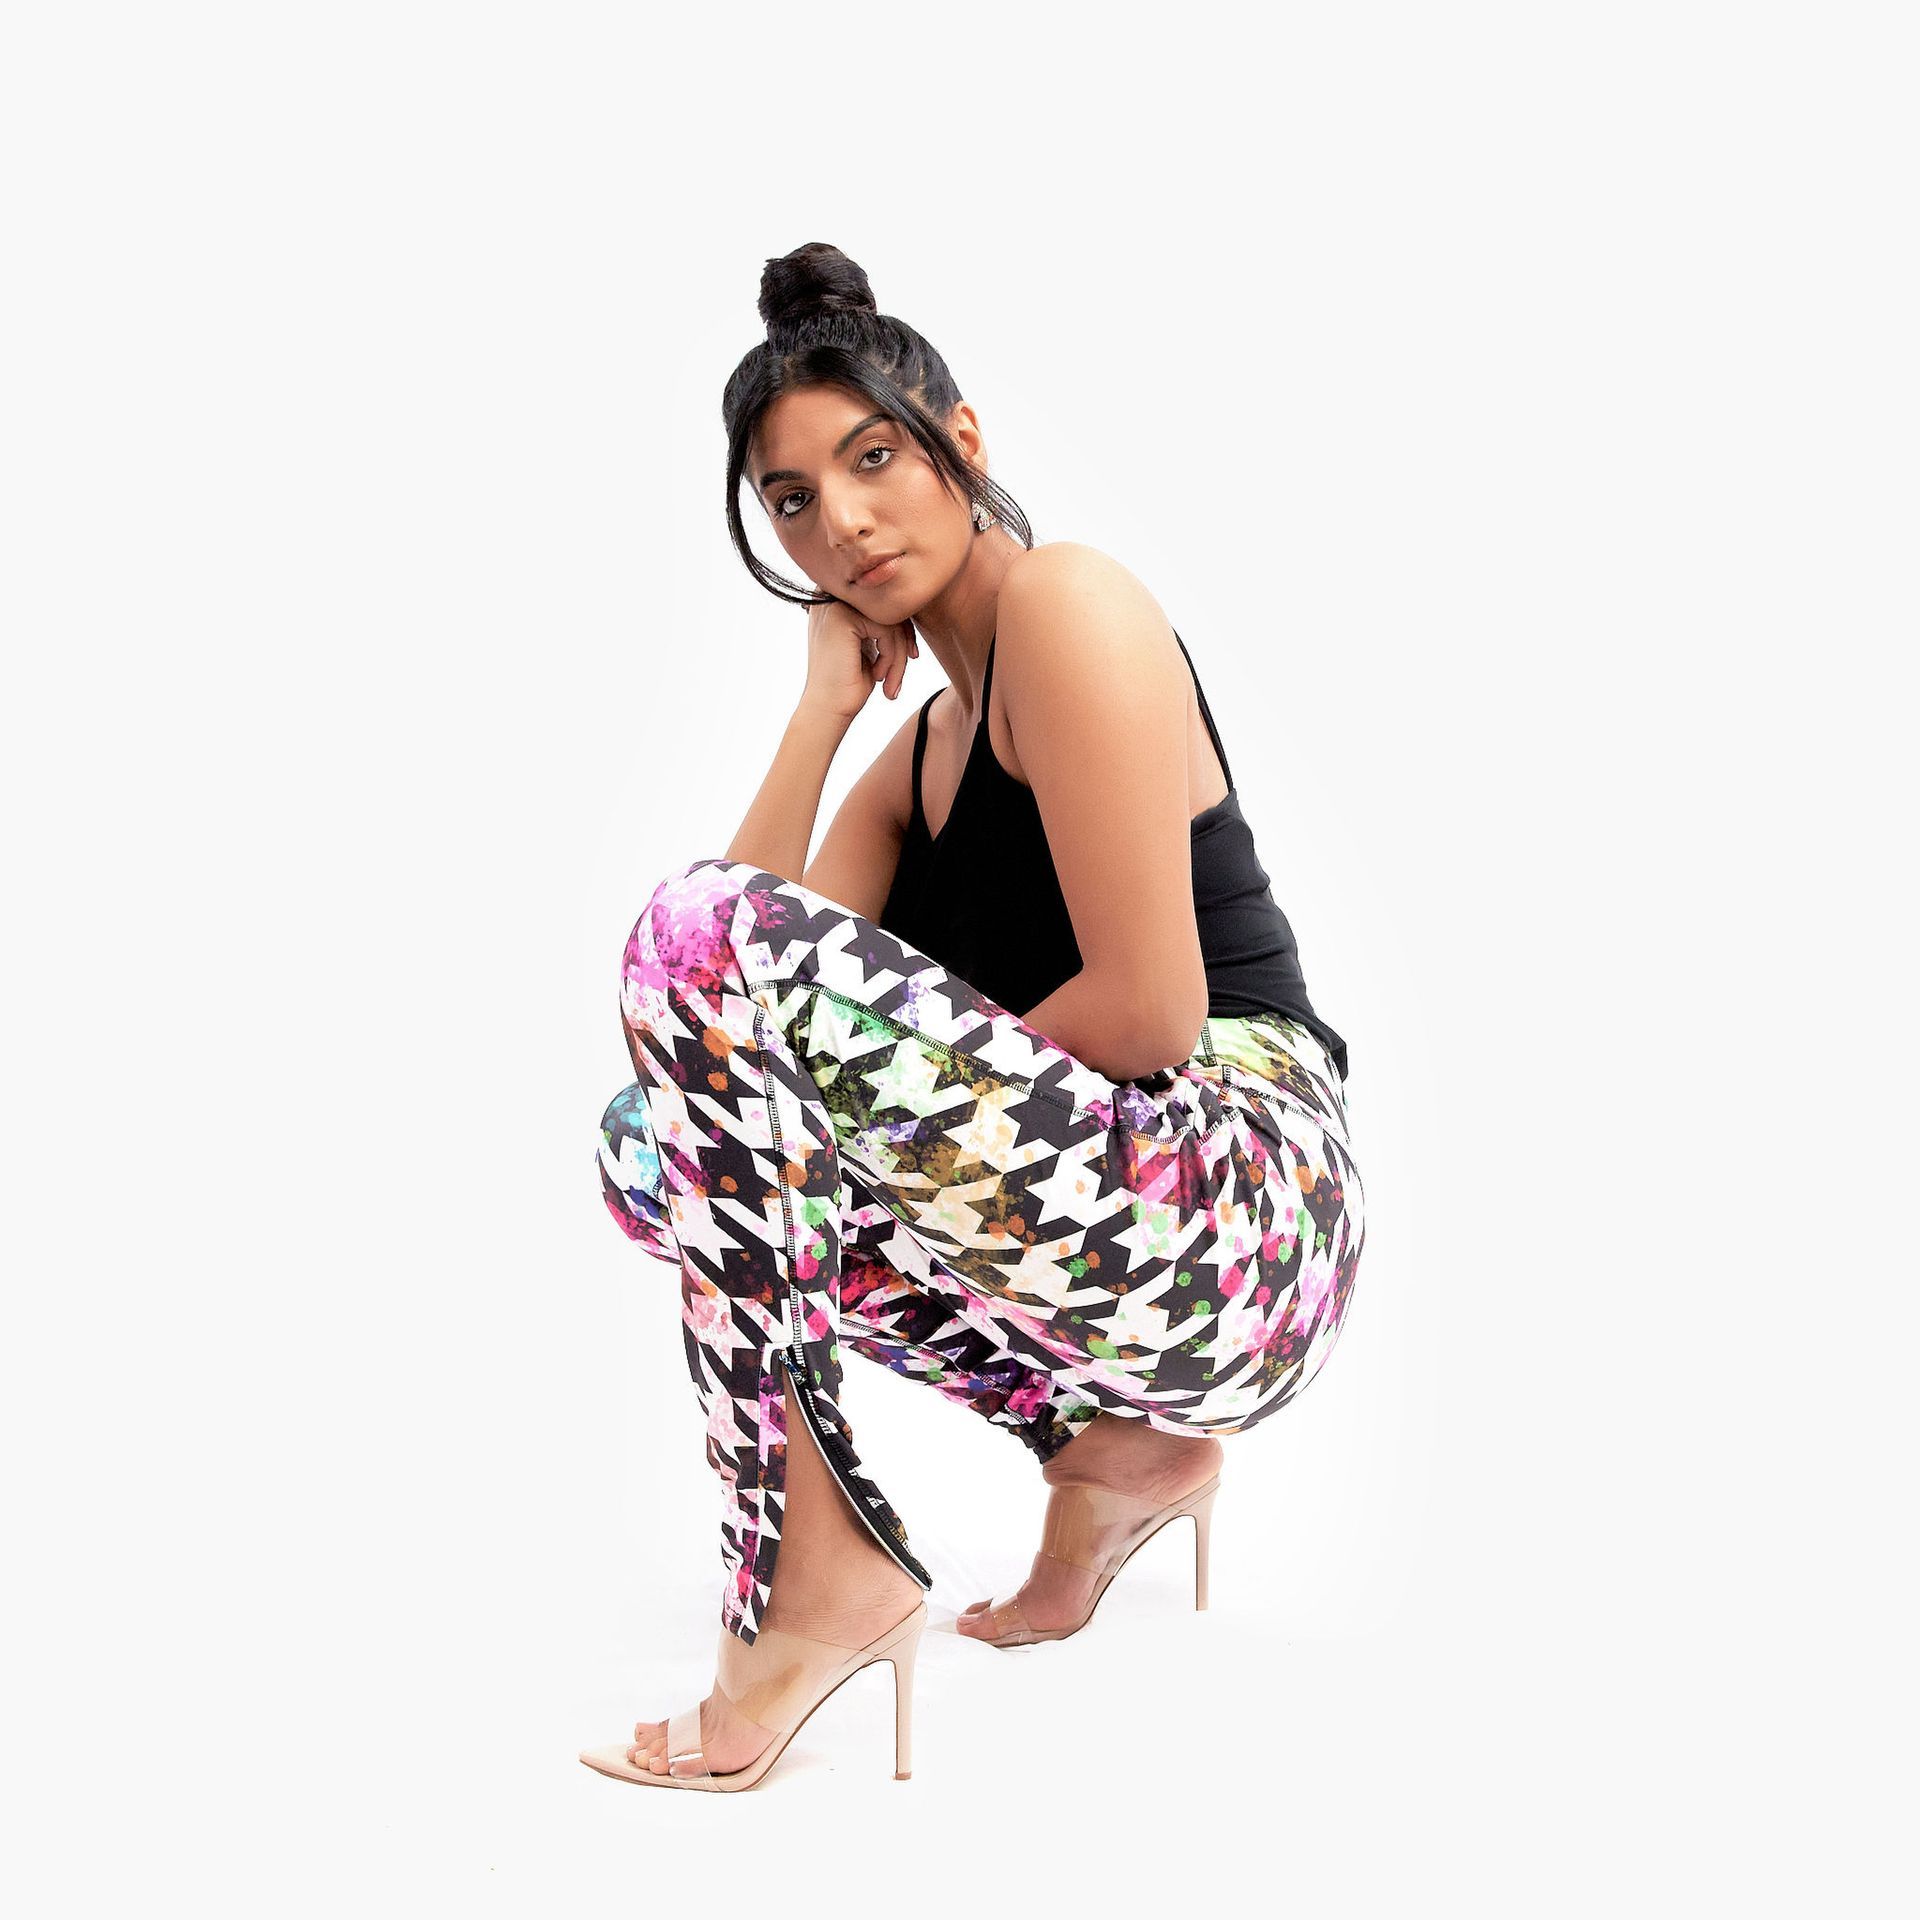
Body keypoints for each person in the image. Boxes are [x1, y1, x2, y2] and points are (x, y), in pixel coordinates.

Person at [579, 241, 1365, 1792]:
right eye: (793, 498)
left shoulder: (1072, 604)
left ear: (962, 440)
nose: (842, 520)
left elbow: (1149, 1014)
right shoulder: (918, 755)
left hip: (1249, 1202)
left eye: (872, 459)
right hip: (1129, 1244)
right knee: (653, 1149)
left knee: (699, 949)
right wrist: (822, 706)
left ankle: (807, 1572)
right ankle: (1108, 1450)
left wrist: (874, 1124)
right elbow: (712, 1051)